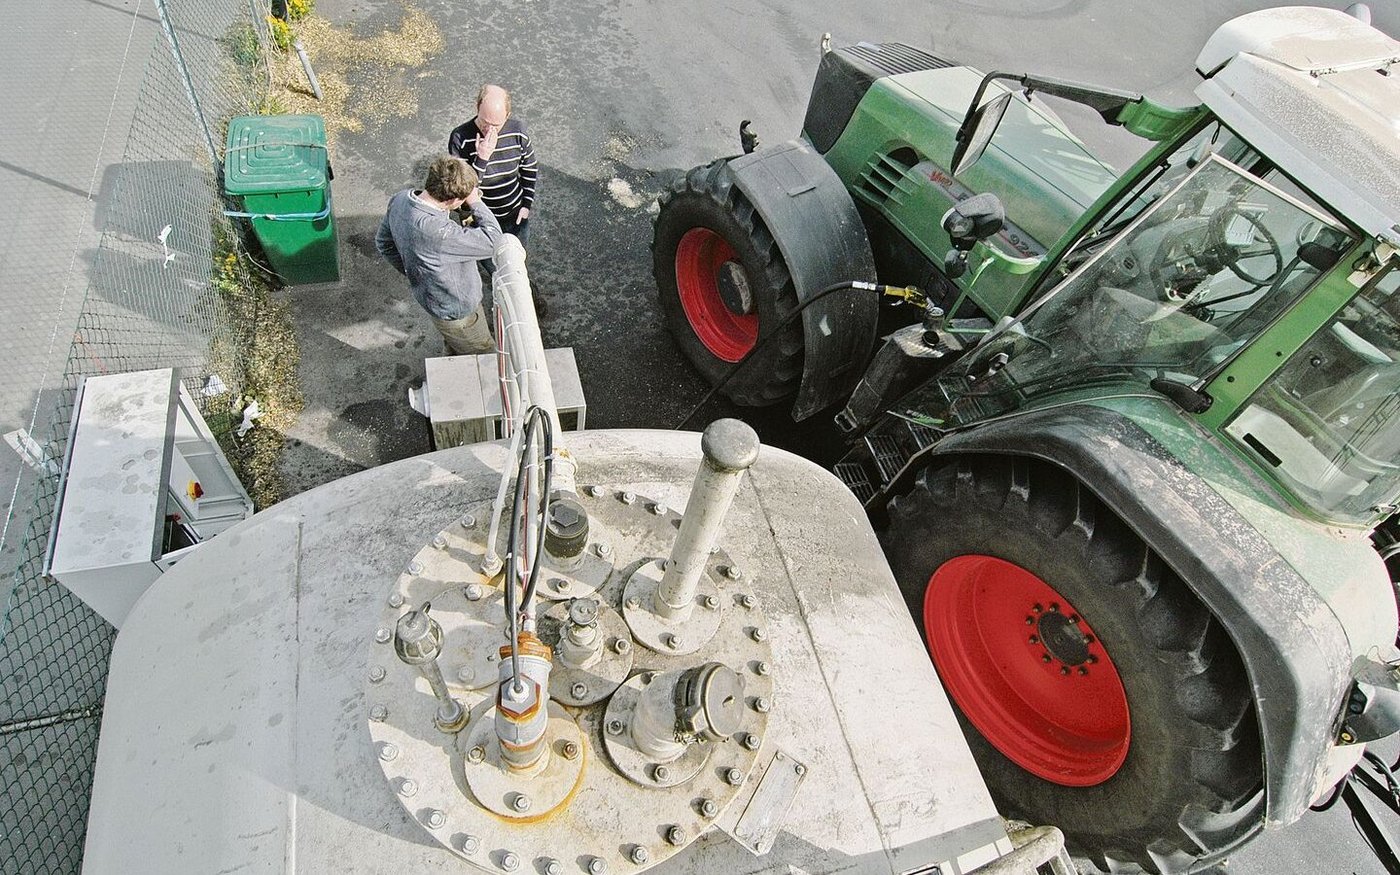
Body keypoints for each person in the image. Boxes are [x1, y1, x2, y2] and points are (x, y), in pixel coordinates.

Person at [376, 155, 502, 356]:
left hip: (435, 301)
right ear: (452, 199)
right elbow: (495, 241)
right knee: (484, 353)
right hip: (457, 309)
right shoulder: (438, 232)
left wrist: (417, 273)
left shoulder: (401, 199)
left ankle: (453, 351)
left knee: (455, 342)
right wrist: (475, 201)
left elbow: (383, 243)